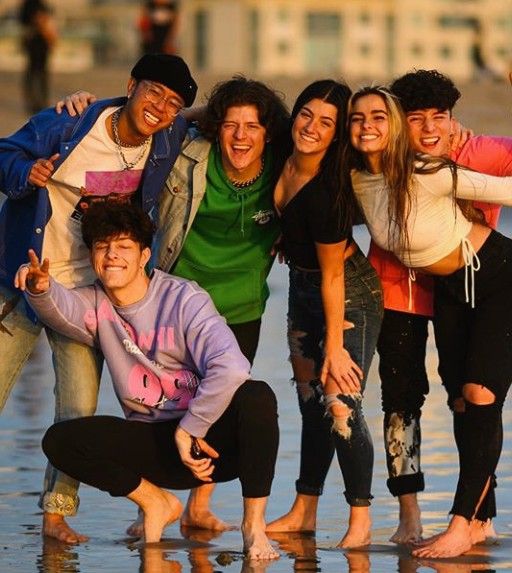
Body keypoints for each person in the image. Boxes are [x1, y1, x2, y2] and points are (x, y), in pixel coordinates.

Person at [53, 74, 289, 536]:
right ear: (216, 125)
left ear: (268, 133)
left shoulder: (282, 168)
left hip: (241, 304)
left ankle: (198, 507)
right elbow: (155, 120)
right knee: (157, 392)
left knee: (220, 399)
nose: (241, 136)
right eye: (229, 124)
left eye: (253, 127)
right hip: (178, 292)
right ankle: (152, 504)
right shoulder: (190, 155)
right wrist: (90, 104)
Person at [0, 53, 197, 543]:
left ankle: (56, 513)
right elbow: (4, 153)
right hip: (23, 279)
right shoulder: (68, 124)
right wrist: (26, 175)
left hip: (87, 297)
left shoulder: (168, 138)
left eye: (172, 103)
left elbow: (224, 125)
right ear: (130, 85)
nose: (160, 106)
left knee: (78, 408)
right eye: (154, 92)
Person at [14, 201, 279, 560]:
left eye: (123, 247)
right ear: (92, 255)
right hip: (152, 447)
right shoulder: (96, 303)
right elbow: (64, 308)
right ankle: (155, 502)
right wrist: (40, 288)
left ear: (143, 255)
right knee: (60, 440)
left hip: (207, 447)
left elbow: (231, 367)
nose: (111, 256)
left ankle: (253, 527)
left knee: (257, 396)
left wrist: (191, 428)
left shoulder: (185, 298)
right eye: (102, 247)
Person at [347, 85, 512, 558]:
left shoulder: (448, 162)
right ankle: (463, 518)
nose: (428, 129)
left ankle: (464, 522)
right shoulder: (366, 171)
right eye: (415, 118)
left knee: (481, 395)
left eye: (438, 117)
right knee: (456, 400)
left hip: (491, 273)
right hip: (436, 289)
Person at [267, 80, 383, 547]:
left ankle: (360, 521)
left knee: (340, 405)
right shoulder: (282, 154)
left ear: (337, 136)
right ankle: (304, 510)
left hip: (349, 293)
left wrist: (334, 346)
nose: (311, 127)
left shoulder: (329, 191)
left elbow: (333, 276)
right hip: (300, 286)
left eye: (327, 122)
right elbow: (221, 116)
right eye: (306, 114)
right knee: (310, 407)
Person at [19, 0, 58, 114]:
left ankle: (40, 103)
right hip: (34, 43)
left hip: (41, 44)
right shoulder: (30, 5)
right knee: (34, 75)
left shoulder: (39, 4)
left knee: (40, 75)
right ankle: (35, 103)